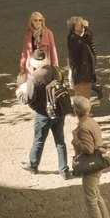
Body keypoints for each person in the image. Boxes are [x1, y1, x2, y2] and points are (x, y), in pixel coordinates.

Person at [19, 50, 70, 178]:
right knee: (60, 142)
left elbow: (28, 98)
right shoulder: (56, 70)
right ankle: (64, 170)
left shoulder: (35, 77)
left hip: (43, 114)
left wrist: (20, 90)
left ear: (35, 62)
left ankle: (33, 165)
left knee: (39, 140)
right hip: (59, 111)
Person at [71, 95, 110, 218]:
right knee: (97, 195)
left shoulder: (83, 127)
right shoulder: (92, 121)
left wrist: (76, 140)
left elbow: (88, 149)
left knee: (91, 201)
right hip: (98, 163)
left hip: (91, 166)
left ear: (76, 111)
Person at [19, 12, 59, 81]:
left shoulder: (49, 33)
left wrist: (55, 67)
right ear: (32, 22)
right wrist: (22, 68)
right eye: (36, 20)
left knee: (45, 86)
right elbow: (25, 52)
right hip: (31, 66)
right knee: (33, 87)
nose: (38, 22)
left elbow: (53, 51)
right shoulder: (27, 35)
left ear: (42, 21)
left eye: (40, 20)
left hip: (45, 65)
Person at [66, 16, 96, 98]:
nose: (83, 25)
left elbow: (90, 42)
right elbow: (89, 37)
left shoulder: (78, 37)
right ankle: (84, 110)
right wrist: (87, 27)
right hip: (81, 74)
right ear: (75, 27)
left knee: (84, 96)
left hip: (85, 72)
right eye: (80, 24)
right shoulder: (73, 39)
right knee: (83, 98)